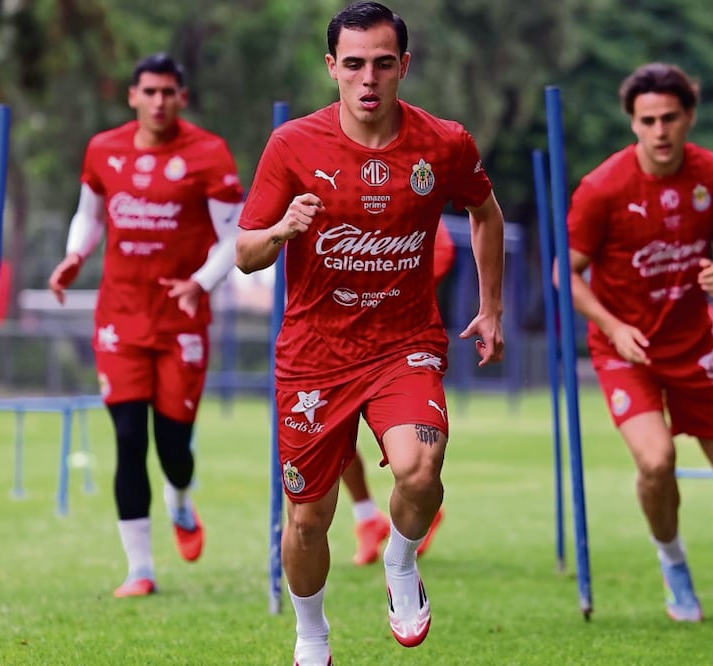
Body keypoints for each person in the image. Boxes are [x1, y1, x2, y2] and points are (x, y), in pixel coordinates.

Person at [235, 3, 505, 662]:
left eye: (383, 63)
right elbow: (244, 252)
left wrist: (490, 306)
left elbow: (485, 213)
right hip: (313, 354)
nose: (367, 78)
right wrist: (280, 231)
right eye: (352, 64)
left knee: (421, 468)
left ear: (402, 66)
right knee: (306, 517)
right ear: (331, 67)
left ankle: (402, 562)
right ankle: (311, 635)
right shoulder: (293, 145)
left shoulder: (442, 144)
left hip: (401, 344)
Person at [562, 62, 713, 624]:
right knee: (657, 460)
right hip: (628, 349)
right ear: (633, 125)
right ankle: (674, 567)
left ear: (689, 116)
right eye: (648, 120)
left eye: (671, 117)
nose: (660, 130)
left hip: (695, 343)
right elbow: (565, 273)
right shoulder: (602, 188)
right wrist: (613, 325)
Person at [47, 53, 244, 598]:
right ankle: (139, 569)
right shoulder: (102, 149)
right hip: (119, 319)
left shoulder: (208, 154)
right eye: (149, 92)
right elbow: (88, 213)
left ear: (181, 97)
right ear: (132, 96)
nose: (158, 101)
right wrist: (73, 255)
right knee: (129, 439)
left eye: (168, 92)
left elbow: (236, 237)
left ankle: (180, 499)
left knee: (172, 447)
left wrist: (199, 283)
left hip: (181, 318)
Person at [344, 222, 454, 567]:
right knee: (328, 438)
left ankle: (415, 506)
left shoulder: (403, 181)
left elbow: (443, 249)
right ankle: (367, 518)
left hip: (397, 341)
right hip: (337, 336)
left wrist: (390, 293)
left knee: (415, 457)